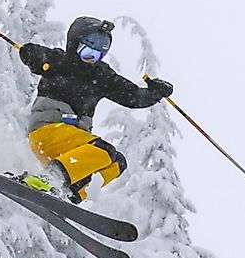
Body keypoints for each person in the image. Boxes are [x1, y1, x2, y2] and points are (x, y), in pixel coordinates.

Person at [17, 16, 174, 203]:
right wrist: (33, 55)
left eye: (98, 55)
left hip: (71, 148)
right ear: (74, 44)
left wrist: (154, 93)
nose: (91, 59)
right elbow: (35, 55)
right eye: (87, 51)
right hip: (48, 130)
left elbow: (132, 96)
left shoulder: (101, 75)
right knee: (104, 150)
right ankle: (50, 178)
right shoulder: (61, 62)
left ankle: (71, 192)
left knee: (117, 163)